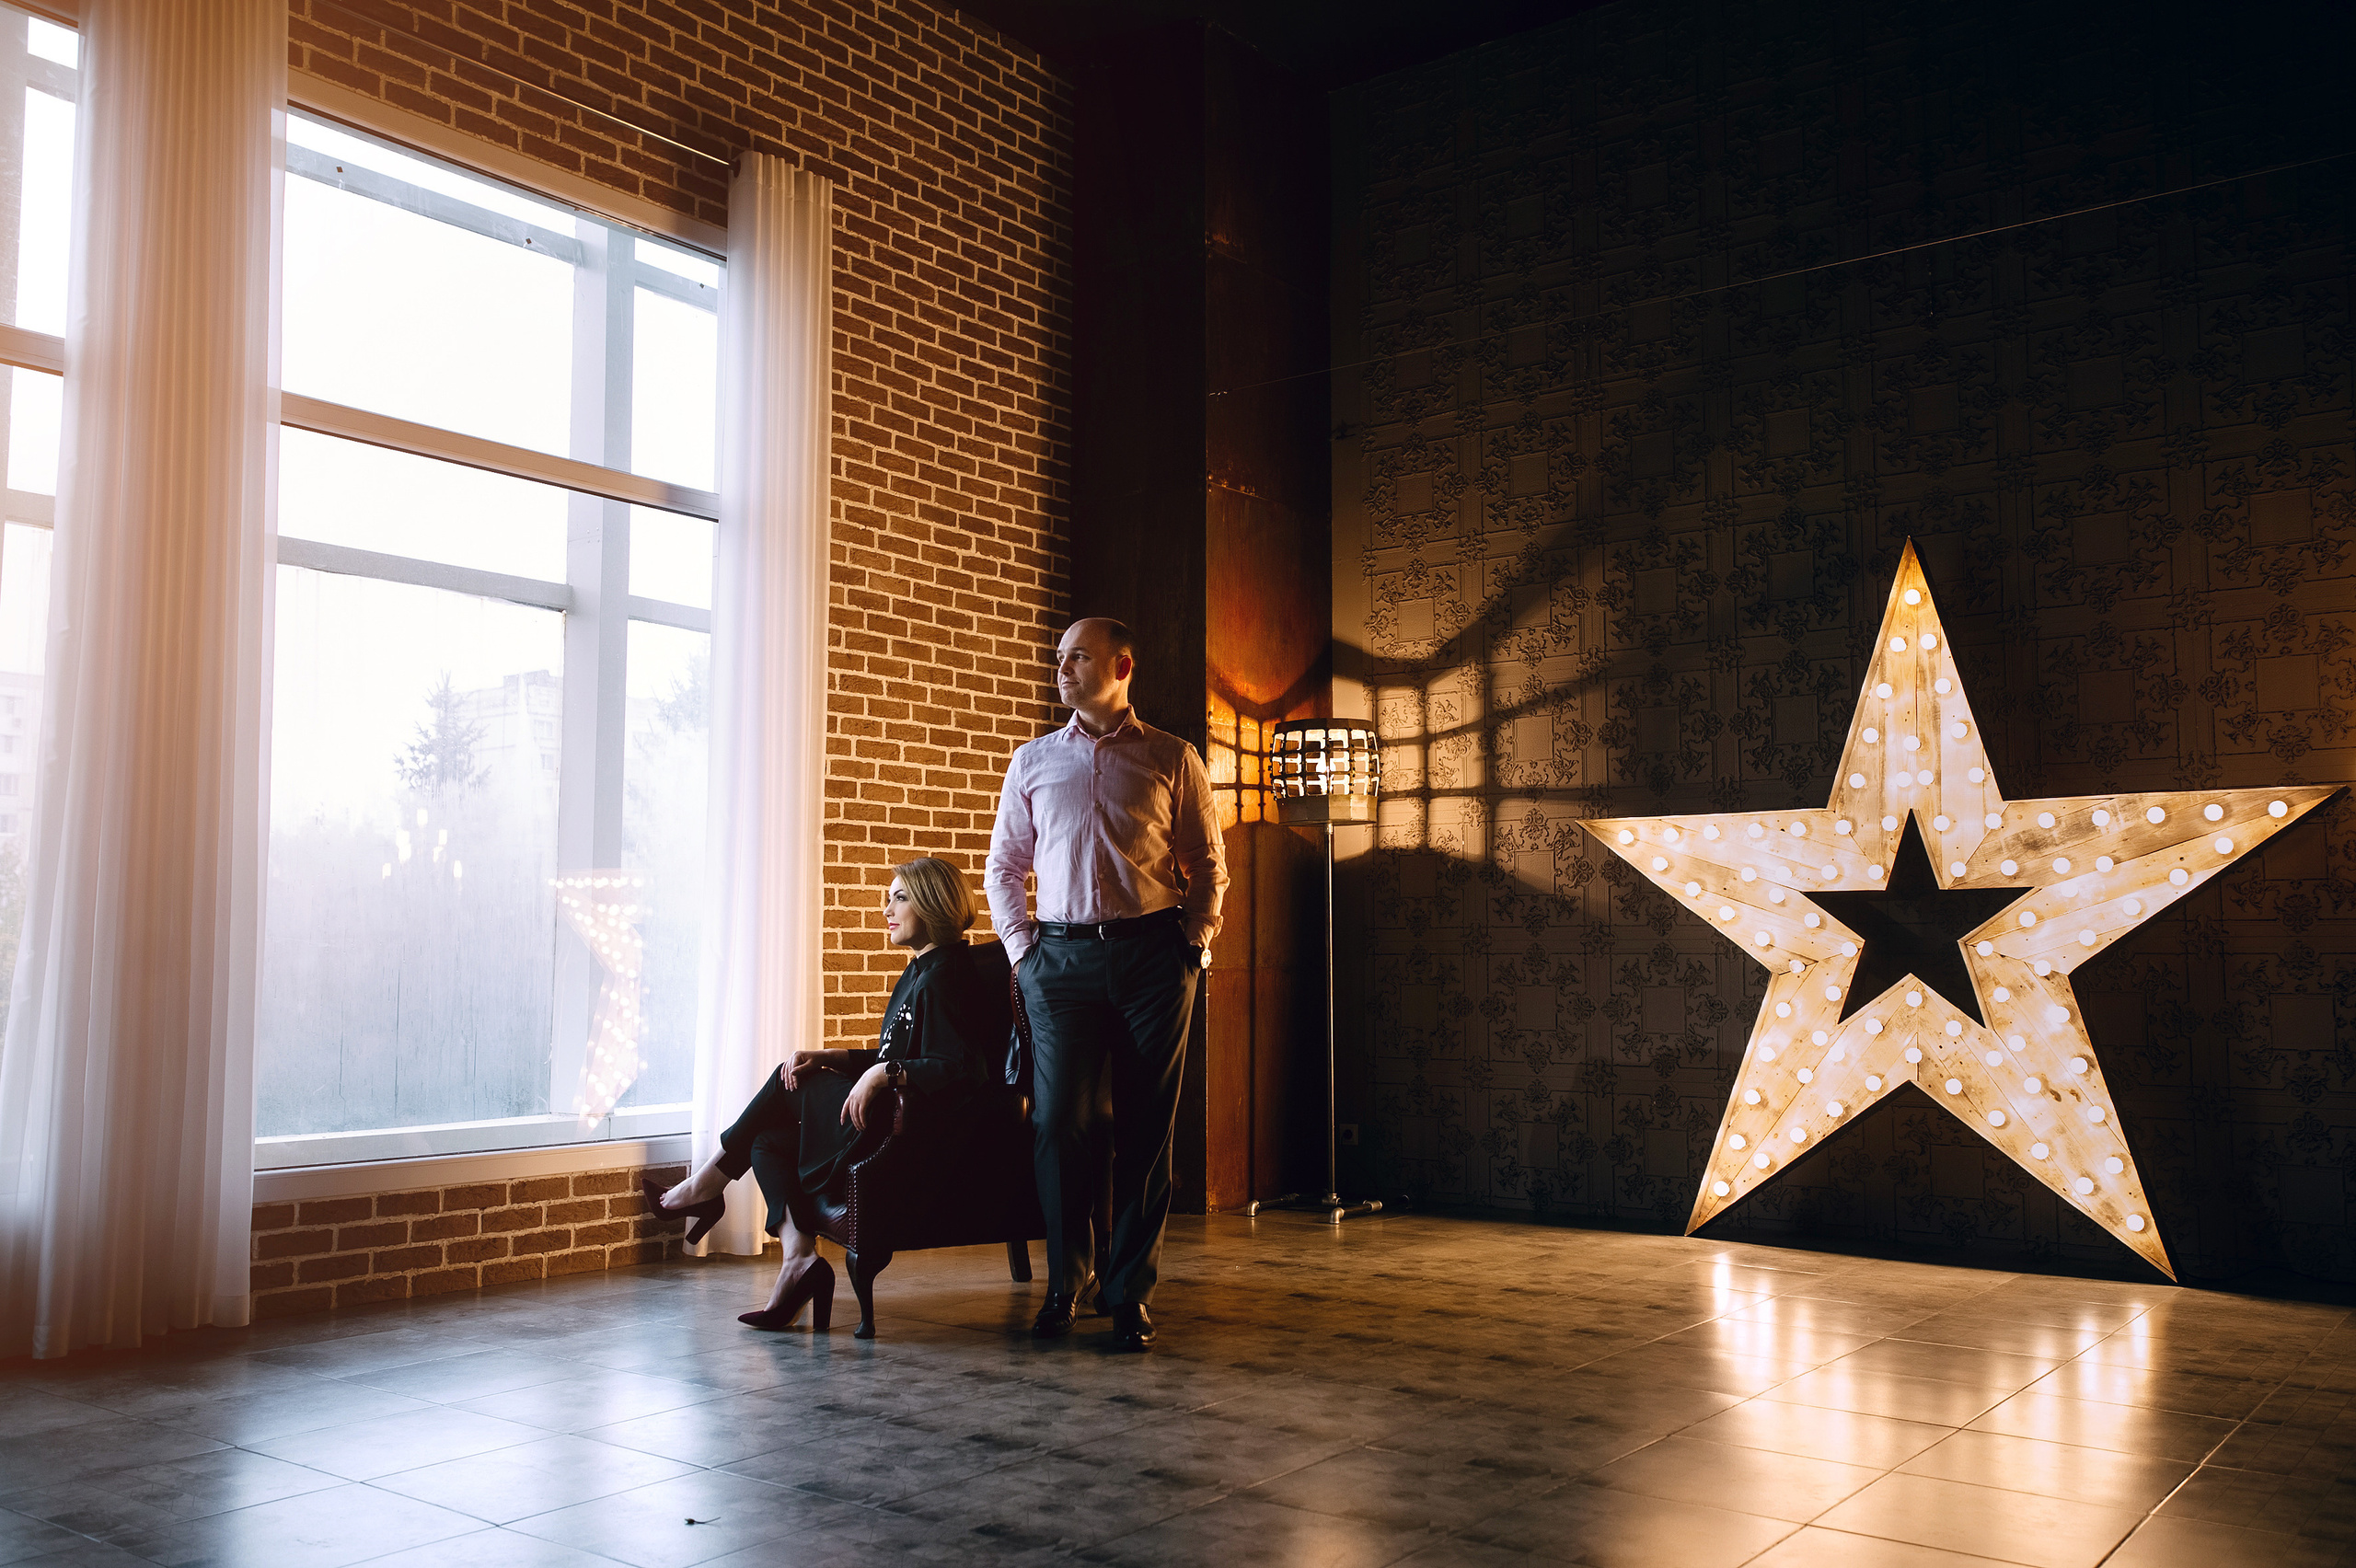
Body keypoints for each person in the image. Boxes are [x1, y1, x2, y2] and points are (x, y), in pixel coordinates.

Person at [986, 617, 1228, 1352]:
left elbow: (1206, 864)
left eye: (1078, 656)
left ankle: (1129, 1294)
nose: (1062, 668)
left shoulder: (1172, 757)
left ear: (1121, 664)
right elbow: (1004, 869)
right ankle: (1069, 1282)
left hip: (1155, 960)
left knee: (1150, 1133)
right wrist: (1024, 954)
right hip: (1058, 965)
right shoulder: (1031, 762)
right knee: (1061, 1124)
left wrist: (1192, 944)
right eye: (1059, 658)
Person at [645, 857, 1008, 1330]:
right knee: (769, 1139)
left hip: (904, 1131)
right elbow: (901, 1050)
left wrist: (882, 1075)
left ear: (934, 904)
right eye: (889, 897)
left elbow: (962, 1070)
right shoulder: (922, 970)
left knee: (786, 1077)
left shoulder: (947, 977)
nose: (886, 910)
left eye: (900, 897)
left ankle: (707, 1184)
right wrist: (836, 1056)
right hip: (882, 1115)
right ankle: (798, 1258)